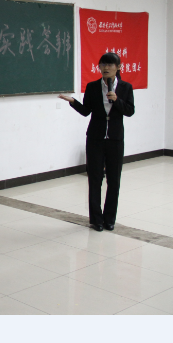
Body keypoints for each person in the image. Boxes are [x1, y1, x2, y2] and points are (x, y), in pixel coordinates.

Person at [58, 52, 135, 232]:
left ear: (118, 67)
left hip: (115, 139)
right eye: (102, 65)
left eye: (110, 65)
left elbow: (130, 111)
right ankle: (96, 220)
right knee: (95, 179)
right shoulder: (92, 87)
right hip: (95, 139)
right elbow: (86, 111)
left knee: (114, 180)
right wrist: (73, 102)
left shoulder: (126, 87)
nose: (105, 68)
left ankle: (109, 219)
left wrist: (117, 100)